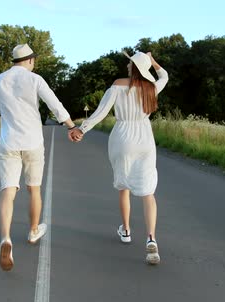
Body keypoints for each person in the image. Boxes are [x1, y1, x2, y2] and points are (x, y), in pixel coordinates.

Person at [69, 51, 168, 264]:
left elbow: (101, 111)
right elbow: (165, 77)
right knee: (148, 192)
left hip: (122, 136)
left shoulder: (117, 85)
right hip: (144, 137)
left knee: (124, 186)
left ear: (134, 66)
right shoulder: (151, 88)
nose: (127, 65)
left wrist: (82, 129)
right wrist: (152, 61)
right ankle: (151, 238)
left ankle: (126, 230)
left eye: (130, 62)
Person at [0, 43, 79, 271]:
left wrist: (9, 107)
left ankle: (6, 239)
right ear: (30, 60)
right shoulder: (35, 79)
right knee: (34, 189)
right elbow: (55, 104)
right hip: (32, 142)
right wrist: (71, 126)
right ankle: (32, 231)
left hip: (9, 142)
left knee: (8, 191)